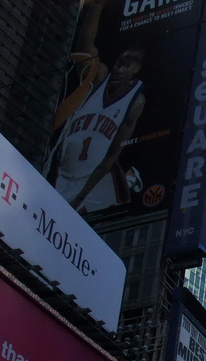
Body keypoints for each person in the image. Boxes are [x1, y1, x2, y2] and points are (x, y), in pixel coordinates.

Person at [50, 0, 146, 213]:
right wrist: (96, 7)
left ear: (136, 68)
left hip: (93, 175)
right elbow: (85, 48)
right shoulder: (100, 76)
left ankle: (128, 178)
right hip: (65, 169)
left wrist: (82, 195)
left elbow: (113, 153)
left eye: (127, 64)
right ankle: (129, 178)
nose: (120, 68)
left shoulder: (135, 100)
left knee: (76, 213)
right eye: (119, 62)